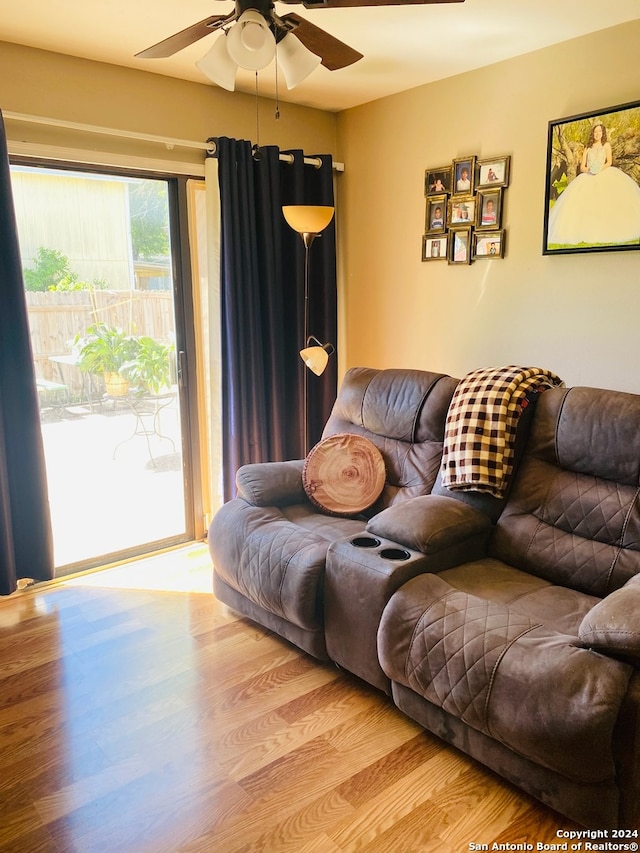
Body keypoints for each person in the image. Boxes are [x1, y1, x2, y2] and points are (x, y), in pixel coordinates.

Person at [547, 121, 640, 246]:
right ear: (593, 133)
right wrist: (591, 170)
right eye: (595, 132)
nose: (597, 134)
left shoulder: (606, 145)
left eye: (600, 131)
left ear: (603, 133)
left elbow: (609, 162)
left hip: (605, 172)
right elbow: (582, 167)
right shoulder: (587, 148)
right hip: (589, 174)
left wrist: (600, 169)